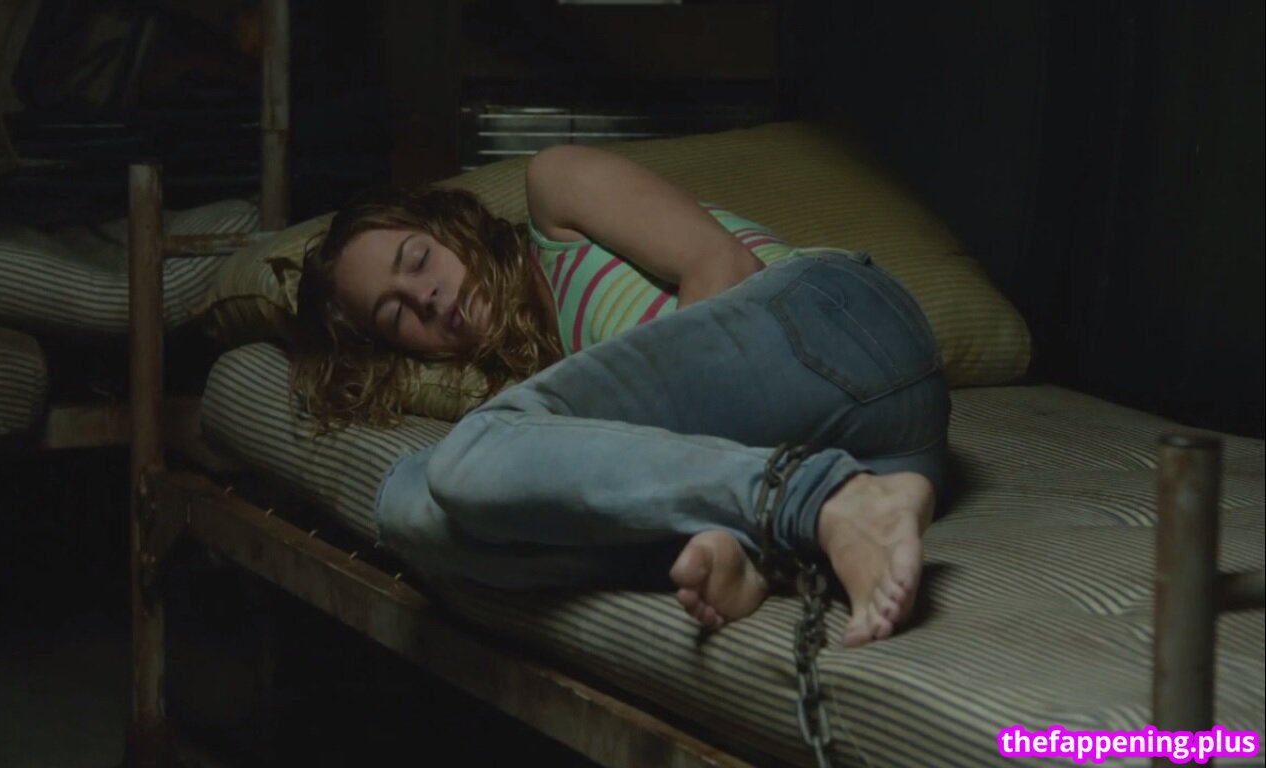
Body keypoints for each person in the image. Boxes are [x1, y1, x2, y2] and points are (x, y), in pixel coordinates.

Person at [292, 144, 949, 647]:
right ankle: (787, 531)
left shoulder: (555, 190)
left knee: (471, 455)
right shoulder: (547, 377)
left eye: (417, 259)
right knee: (410, 503)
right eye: (396, 315)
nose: (426, 296)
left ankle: (806, 504)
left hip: (834, 323)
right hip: (883, 446)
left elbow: (723, 266)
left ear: (450, 225)